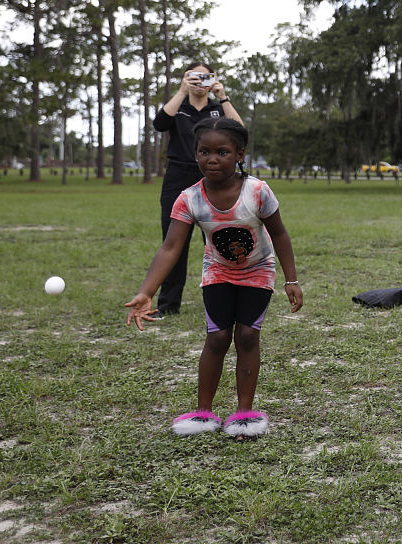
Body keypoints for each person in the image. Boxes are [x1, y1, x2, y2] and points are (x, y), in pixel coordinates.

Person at [125, 118, 303, 439]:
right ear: (195, 155)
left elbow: (279, 233)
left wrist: (292, 280)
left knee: (247, 336)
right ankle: (203, 413)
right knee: (218, 338)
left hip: (258, 270)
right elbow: (171, 247)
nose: (212, 159)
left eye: (222, 152)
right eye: (204, 152)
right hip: (218, 271)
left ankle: (244, 413)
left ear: (239, 155)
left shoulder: (257, 191)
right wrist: (147, 291)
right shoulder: (189, 198)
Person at [150, 62, 243, 319]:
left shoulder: (217, 109)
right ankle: (168, 305)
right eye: (194, 76)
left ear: (212, 79)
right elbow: (159, 124)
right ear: (185, 78)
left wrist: (223, 97)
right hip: (178, 177)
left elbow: (239, 130)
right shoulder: (178, 107)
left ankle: (223, 302)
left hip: (213, 178)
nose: (199, 81)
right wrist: (180, 92)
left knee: (217, 241)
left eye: (205, 76)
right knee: (173, 241)